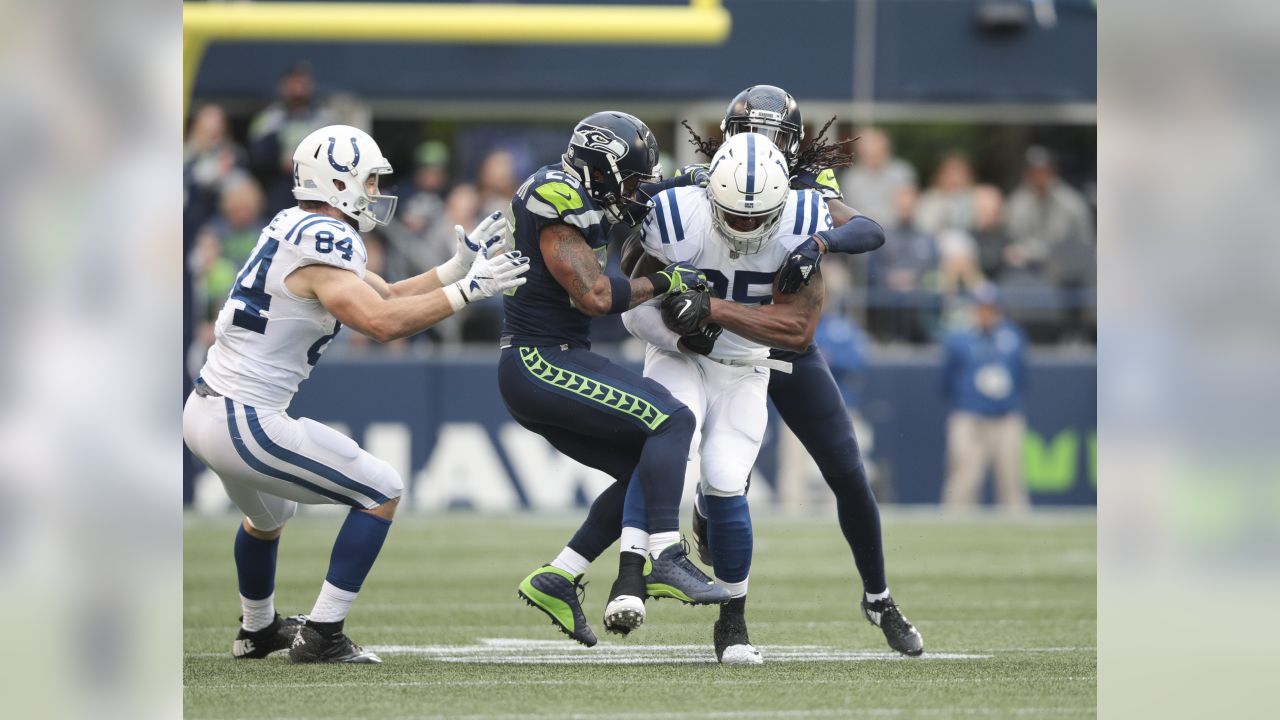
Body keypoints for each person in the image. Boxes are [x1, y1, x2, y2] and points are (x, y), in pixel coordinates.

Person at [183, 125, 529, 664]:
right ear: (337, 180)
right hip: (244, 418)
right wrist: (469, 292)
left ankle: (258, 630)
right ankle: (322, 634)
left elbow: (385, 291)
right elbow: (380, 322)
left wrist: (456, 269)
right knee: (380, 489)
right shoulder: (329, 238)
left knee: (269, 517)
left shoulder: (295, 223)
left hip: (206, 408)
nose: (372, 192)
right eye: (367, 181)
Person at [502, 111, 729, 648]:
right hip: (540, 361)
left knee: (642, 472)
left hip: (552, 359)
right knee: (674, 419)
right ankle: (666, 556)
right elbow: (597, 297)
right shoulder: (556, 200)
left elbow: (637, 196)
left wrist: (687, 179)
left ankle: (559, 574)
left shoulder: (578, 189)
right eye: (628, 177)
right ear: (600, 171)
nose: (635, 190)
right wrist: (668, 279)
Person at [619, 132, 833, 663]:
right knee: (671, 442)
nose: (742, 227)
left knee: (723, 476)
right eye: (733, 214)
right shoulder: (678, 214)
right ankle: (629, 578)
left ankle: (732, 622)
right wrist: (679, 336)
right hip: (679, 356)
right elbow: (629, 304)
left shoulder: (802, 223)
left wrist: (711, 311)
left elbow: (800, 330)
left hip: (745, 366)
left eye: (755, 217)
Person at [940, 285, 1030, 510]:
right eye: (980, 308)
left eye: (989, 308)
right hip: (969, 417)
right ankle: (954, 527)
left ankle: (1017, 529)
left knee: (1011, 478)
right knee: (964, 477)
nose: (985, 313)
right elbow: (945, 380)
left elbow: (1022, 376)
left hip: (1005, 417)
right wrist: (966, 401)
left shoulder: (1013, 337)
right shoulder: (959, 339)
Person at [247, 62, 338, 212]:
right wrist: (279, 158)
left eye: (303, 84)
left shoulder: (325, 117)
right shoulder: (269, 119)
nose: (298, 90)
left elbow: (338, 152)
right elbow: (256, 156)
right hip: (280, 186)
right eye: (293, 84)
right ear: (283, 86)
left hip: (318, 186)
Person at [1003, 145, 1094, 286]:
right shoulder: (1017, 203)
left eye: (1043, 171)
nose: (1039, 176)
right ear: (1027, 174)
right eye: (1034, 172)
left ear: (1052, 171)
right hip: (1030, 268)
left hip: (1068, 269)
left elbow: (1084, 240)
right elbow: (1013, 239)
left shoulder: (1071, 202)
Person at [839, 126, 917, 227]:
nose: (871, 155)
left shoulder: (902, 172)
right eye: (866, 152)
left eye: (876, 151)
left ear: (886, 149)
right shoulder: (851, 178)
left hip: (895, 230)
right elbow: (847, 211)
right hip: (862, 231)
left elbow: (906, 208)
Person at [914, 150, 977, 236]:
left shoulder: (976, 198)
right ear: (941, 175)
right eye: (950, 173)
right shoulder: (929, 199)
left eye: (958, 172)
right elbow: (924, 226)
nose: (954, 178)